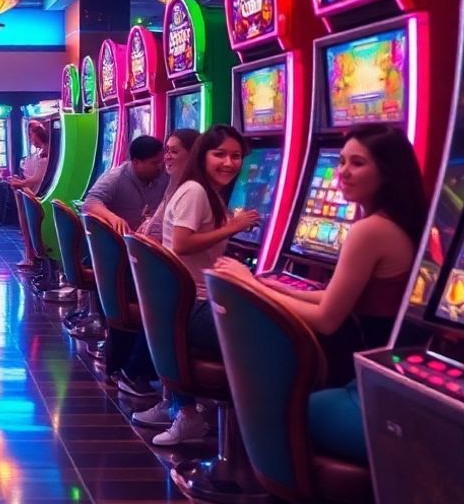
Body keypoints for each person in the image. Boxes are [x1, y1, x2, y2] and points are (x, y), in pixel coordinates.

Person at [212, 124, 424, 464]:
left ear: (387, 172)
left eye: (358, 163)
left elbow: (327, 319)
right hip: (386, 381)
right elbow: (333, 297)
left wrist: (251, 284)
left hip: (373, 392)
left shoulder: (370, 230)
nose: (342, 172)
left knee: (272, 409)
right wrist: (272, 285)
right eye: (341, 162)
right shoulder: (391, 222)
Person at [138, 124, 260, 446]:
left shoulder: (199, 189)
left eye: (236, 156)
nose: (229, 163)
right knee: (274, 332)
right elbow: (182, 243)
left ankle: (185, 410)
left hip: (181, 302)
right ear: (202, 155)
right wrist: (232, 227)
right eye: (219, 154)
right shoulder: (195, 191)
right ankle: (259, 430)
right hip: (195, 305)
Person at [113, 128, 199, 399]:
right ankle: (160, 385)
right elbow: (175, 237)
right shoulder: (186, 188)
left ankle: (145, 376)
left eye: (173, 152)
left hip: (156, 269)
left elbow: (162, 227)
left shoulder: (178, 185)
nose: (166, 160)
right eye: (166, 152)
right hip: (163, 273)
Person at [80, 135, 167, 378]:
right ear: (136, 162)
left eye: (163, 161)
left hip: (148, 250)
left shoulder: (165, 177)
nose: (161, 167)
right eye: (154, 163)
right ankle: (134, 370)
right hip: (120, 256)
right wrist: (113, 217)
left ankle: (143, 368)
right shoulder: (116, 177)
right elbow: (90, 203)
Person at [9, 122, 50, 270]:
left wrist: (21, 183)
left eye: (31, 134)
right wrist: (21, 182)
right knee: (25, 225)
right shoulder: (39, 152)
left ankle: (32, 256)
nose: (30, 137)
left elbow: (38, 178)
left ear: (37, 135)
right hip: (30, 191)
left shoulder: (45, 152)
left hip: (37, 193)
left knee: (28, 225)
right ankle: (30, 255)